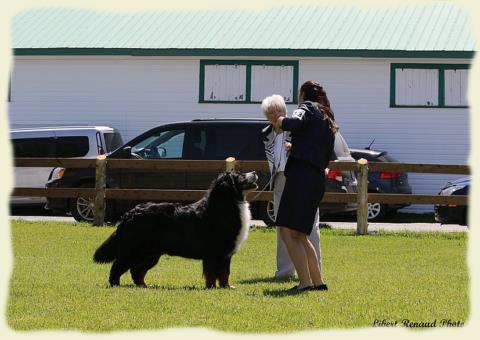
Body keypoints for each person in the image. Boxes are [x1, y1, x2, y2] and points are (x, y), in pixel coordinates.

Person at [274, 81, 338, 292]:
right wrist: (298, 147)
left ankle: (304, 283)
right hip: (316, 179)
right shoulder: (327, 116)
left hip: (301, 177)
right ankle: (317, 282)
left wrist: (280, 120)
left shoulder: (307, 107)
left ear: (303, 95)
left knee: (286, 230)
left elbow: (295, 122)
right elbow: (322, 150)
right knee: (300, 234)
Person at [260, 95, 322, 280]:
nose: (274, 115)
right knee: (282, 228)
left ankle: (314, 271)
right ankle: (285, 271)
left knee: (309, 227)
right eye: (270, 112)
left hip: (301, 178)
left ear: (285, 111)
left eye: (278, 111)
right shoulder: (266, 132)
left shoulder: (299, 127)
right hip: (280, 180)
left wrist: (293, 148)